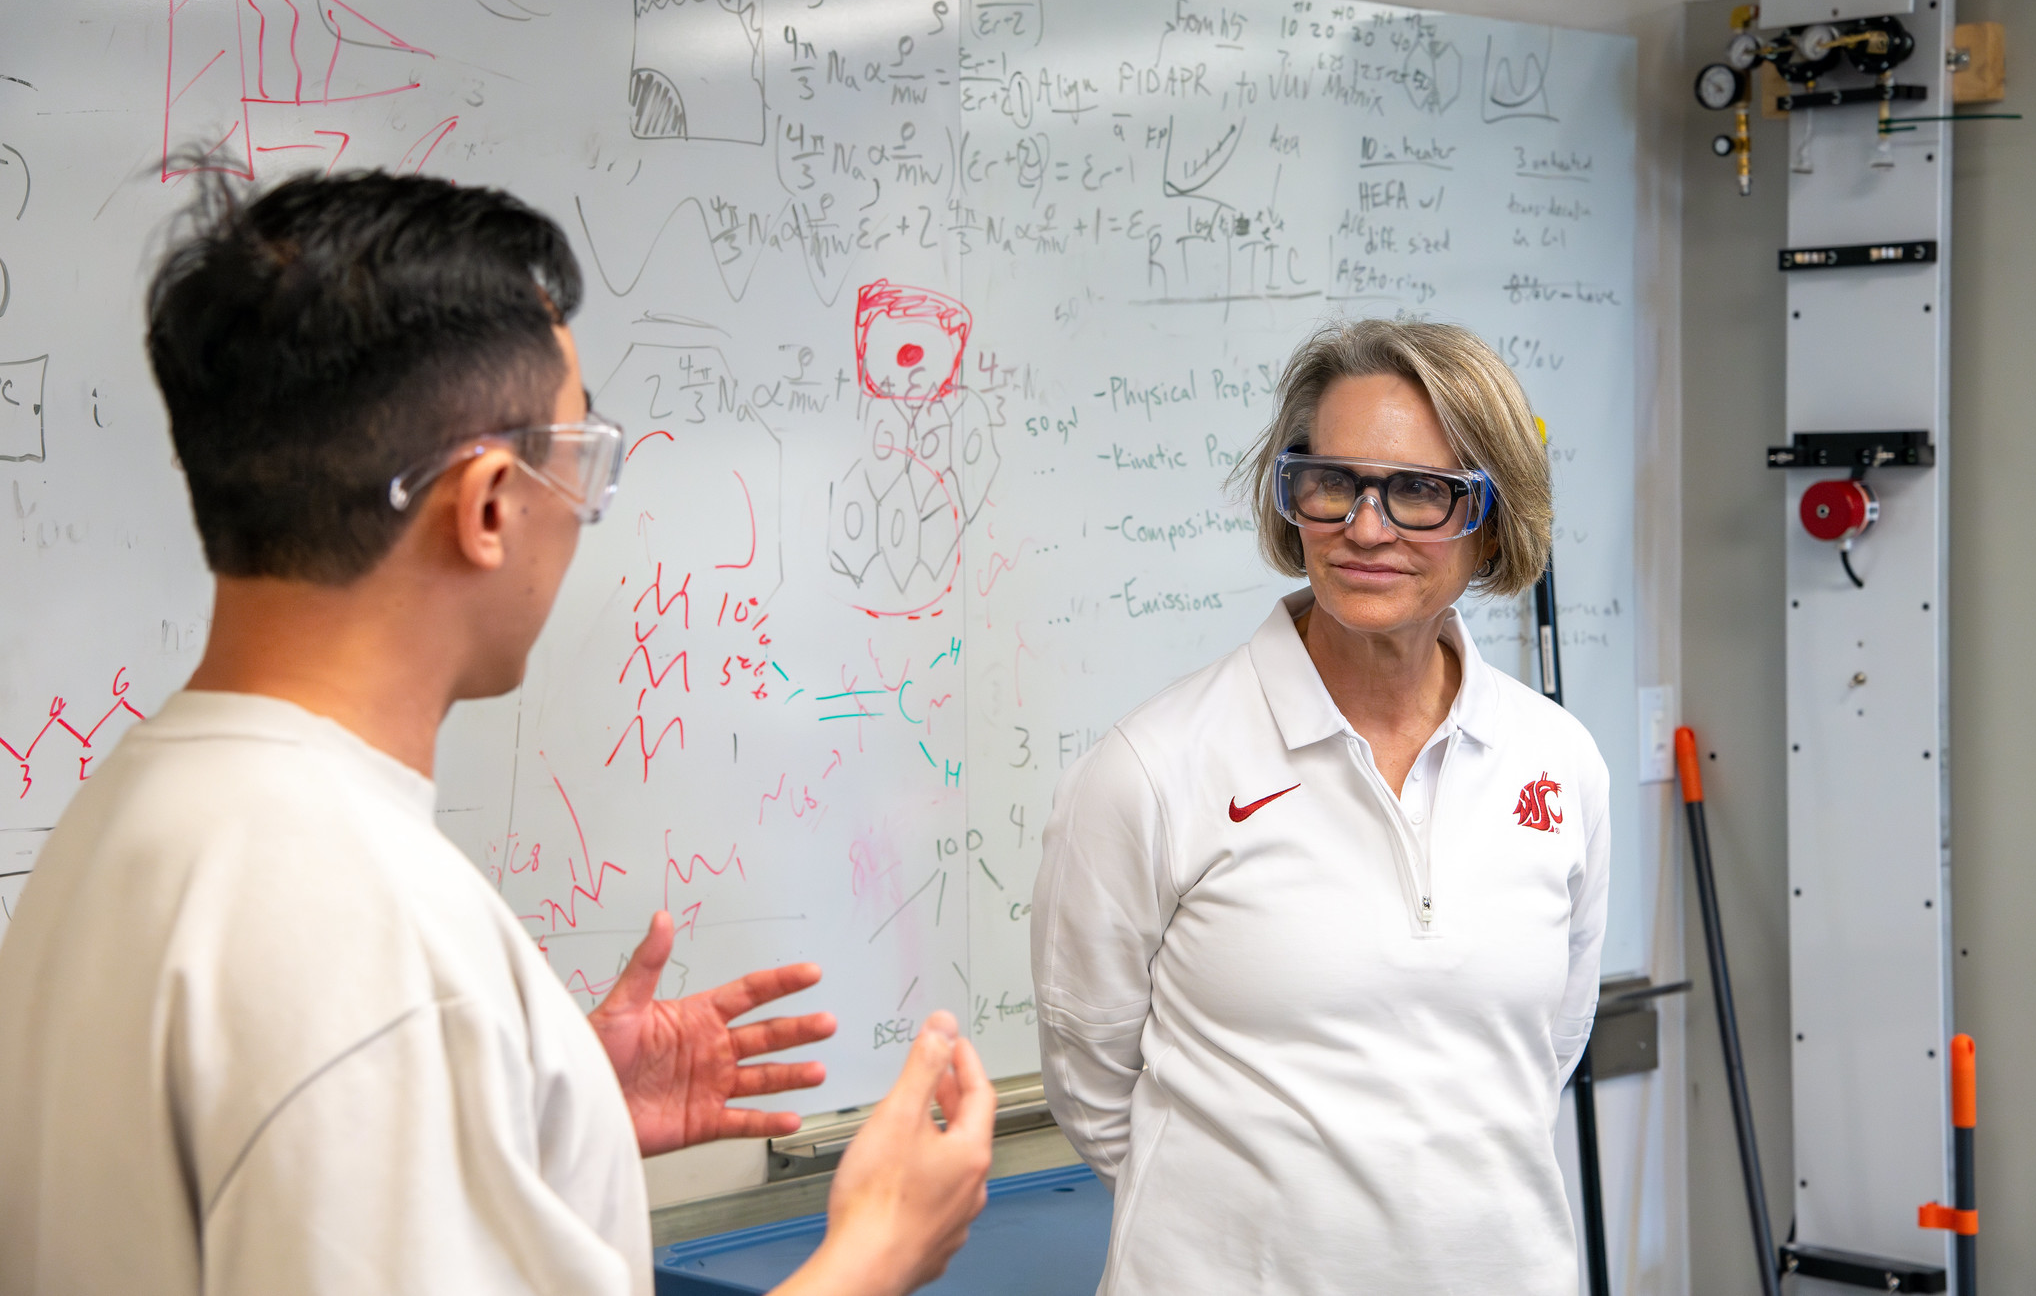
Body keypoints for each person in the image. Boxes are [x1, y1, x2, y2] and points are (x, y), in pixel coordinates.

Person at [0, 171, 992, 1296]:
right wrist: (875, 1253)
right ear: (485, 506)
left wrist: (535, 1100)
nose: (585, 514)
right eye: (582, 462)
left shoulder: (136, 817)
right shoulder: (371, 941)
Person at [1031, 319, 1610, 1295]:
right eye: (1331, 482)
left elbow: (1542, 1049)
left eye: (1420, 491)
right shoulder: (1152, 766)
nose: (1365, 527)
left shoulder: (1555, 761)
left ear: (1491, 516)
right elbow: (1091, 1082)